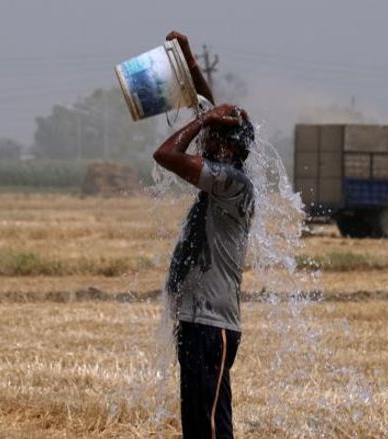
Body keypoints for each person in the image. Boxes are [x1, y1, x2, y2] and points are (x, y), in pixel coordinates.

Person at [153, 31, 255, 439]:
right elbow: (209, 106)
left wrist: (204, 120)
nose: (206, 142)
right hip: (196, 322)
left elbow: (165, 156)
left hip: (213, 328)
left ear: (229, 151)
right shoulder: (223, 176)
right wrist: (189, 60)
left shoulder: (232, 183)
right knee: (198, 430)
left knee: (212, 430)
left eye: (213, 138)